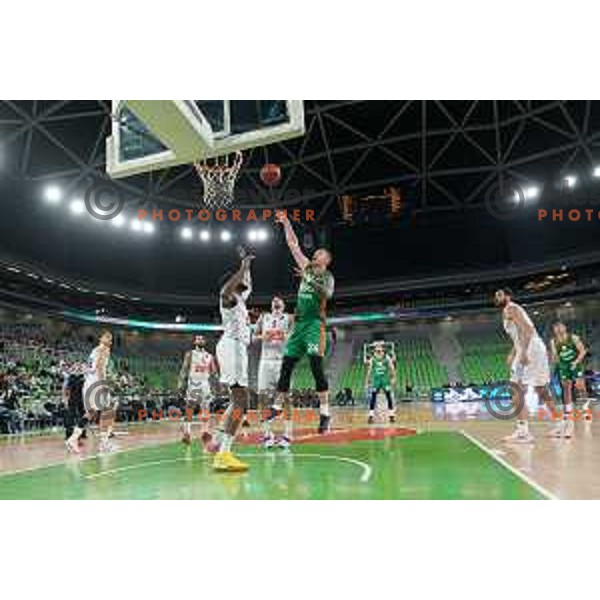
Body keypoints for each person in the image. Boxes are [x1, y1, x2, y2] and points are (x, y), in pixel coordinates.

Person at [271, 213, 335, 437]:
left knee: (316, 367)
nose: (316, 254)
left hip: (314, 325)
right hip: (299, 326)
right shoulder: (307, 267)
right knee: (287, 364)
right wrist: (286, 222)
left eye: (321, 254)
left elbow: (327, 293)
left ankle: (325, 413)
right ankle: (277, 406)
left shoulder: (327, 277)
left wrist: (308, 281)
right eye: (316, 253)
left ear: (327, 261)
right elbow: (293, 244)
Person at [494, 288, 560, 443]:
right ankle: (560, 423)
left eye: (499, 294)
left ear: (508, 296)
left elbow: (527, 330)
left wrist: (522, 352)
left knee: (515, 389)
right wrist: (513, 351)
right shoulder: (513, 309)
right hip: (536, 347)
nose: (496, 297)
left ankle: (523, 432)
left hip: (529, 348)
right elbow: (520, 333)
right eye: (495, 295)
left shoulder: (510, 308)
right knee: (541, 388)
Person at [212, 254, 254, 472]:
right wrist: (242, 266)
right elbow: (228, 289)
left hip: (237, 348)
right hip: (232, 347)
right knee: (241, 401)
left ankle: (219, 440)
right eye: (240, 281)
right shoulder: (228, 297)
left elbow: (248, 285)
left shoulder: (241, 301)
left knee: (237, 401)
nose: (244, 283)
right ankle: (223, 454)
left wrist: (248, 266)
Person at [254, 295, 293, 448]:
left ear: (283, 305)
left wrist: (285, 336)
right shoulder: (264, 317)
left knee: (287, 398)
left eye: (279, 300)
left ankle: (288, 435)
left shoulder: (289, 318)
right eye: (273, 299)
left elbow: (296, 336)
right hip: (266, 361)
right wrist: (262, 336)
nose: (276, 300)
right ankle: (267, 435)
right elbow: (253, 336)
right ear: (271, 305)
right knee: (262, 398)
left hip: (283, 361)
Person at [177, 334, 217, 449]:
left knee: (206, 408)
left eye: (202, 338)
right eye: (197, 339)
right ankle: (187, 432)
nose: (199, 340)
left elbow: (213, 372)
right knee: (190, 407)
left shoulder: (209, 356)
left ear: (205, 341)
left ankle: (205, 432)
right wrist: (180, 383)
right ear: (194, 342)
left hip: (205, 383)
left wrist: (217, 383)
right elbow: (184, 369)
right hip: (194, 382)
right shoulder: (190, 354)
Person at [549, 322, 588, 438]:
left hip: (575, 364)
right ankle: (568, 412)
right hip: (564, 366)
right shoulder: (553, 341)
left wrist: (575, 362)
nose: (558, 329)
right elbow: (555, 357)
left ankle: (586, 408)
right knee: (566, 388)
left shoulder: (574, 337)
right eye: (555, 327)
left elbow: (582, 351)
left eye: (560, 327)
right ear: (554, 330)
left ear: (565, 328)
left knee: (580, 386)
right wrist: (553, 365)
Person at [83, 329, 116, 453]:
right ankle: (104, 443)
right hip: (96, 382)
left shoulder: (94, 350)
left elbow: (89, 368)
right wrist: (103, 385)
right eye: (107, 337)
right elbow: (100, 368)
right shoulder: (104, 349)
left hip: (88, 382)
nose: (110, 341)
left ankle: (73, 438)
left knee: (91, 413)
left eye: (111, 338)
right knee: (108, 411)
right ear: (100, 338)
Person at [365, 342, 396, 423]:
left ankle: (391, 415)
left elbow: (392, 367)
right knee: (373, 397)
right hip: (376, 380)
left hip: (385, 380)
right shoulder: (373, 359)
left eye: (379, 349)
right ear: (375, 350)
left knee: (388, 396)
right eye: (377, 349)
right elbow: (369, 370)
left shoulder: (387, 357)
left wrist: (393, 377)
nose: (378, 350)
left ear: (382, 349)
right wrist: (367, 380)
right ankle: (371, 415)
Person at [63, 362, 88, 453]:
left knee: (83, 417)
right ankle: (69, 436)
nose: (78, 368)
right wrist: (65, 400)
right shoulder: (71, 377)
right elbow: (66, 389)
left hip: (82, 400)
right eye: (76, 366)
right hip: (72, 400)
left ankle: (80, 436)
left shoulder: (84, 378)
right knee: (70, 417)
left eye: (79, 366)